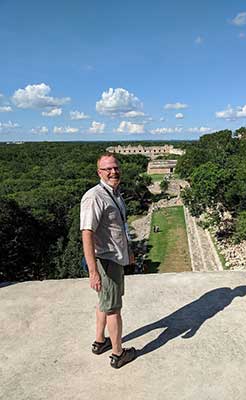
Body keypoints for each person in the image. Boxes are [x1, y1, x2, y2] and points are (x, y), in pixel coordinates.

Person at [80, 153, 136, 369]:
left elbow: (118, 228)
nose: (113, 172)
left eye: (116, 167)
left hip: (115, 257)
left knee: (104, 302)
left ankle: (100, 342)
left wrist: (128, 250)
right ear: (99, 173)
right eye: (107, 169)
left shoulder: (114, 193)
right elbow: (87, 234)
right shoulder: (94, 197)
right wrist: (93, 272)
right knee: (113, 308)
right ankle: (118, 354)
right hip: (105, 260)